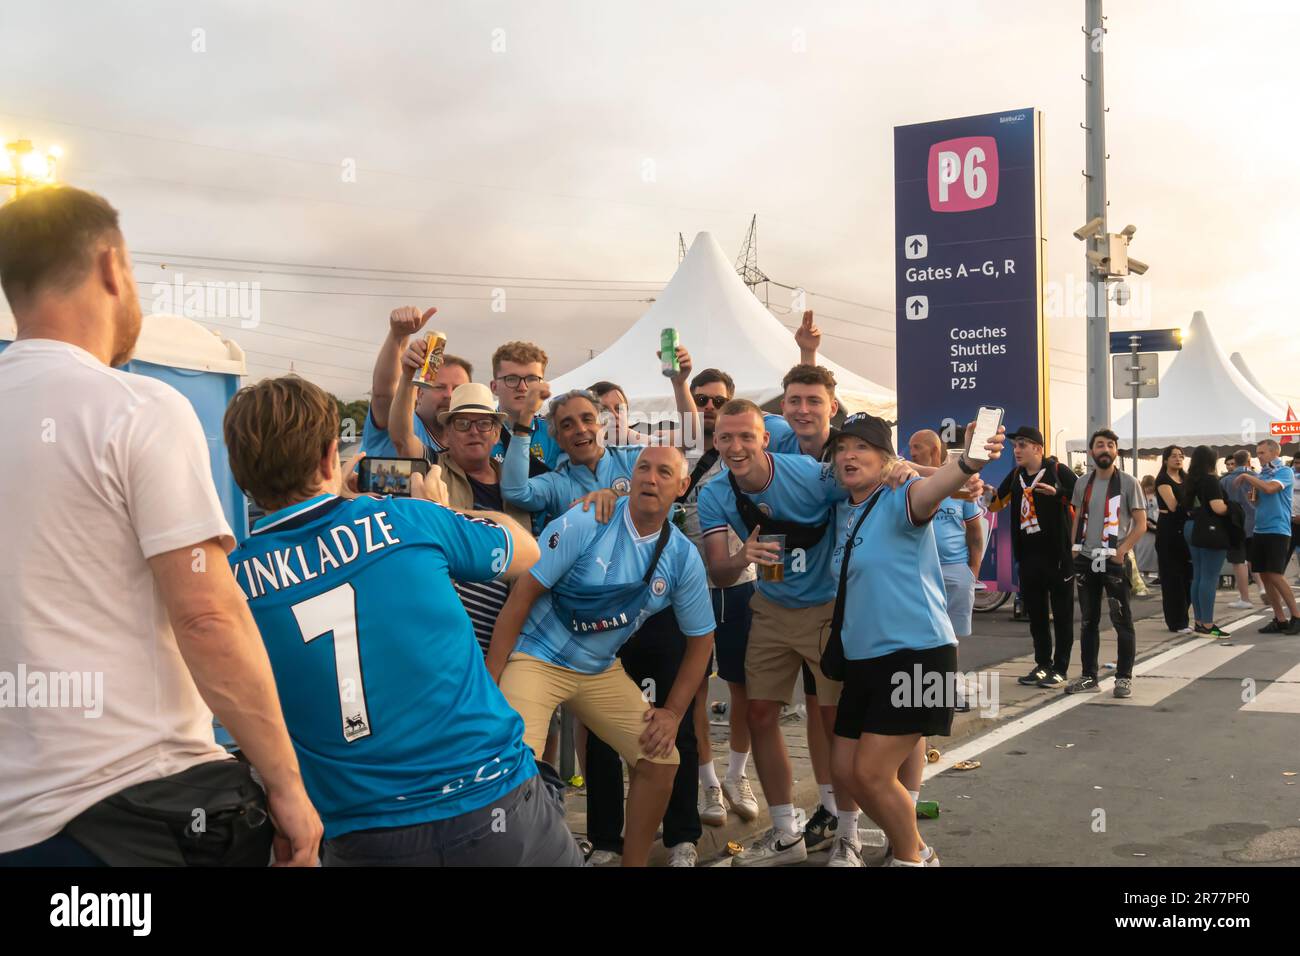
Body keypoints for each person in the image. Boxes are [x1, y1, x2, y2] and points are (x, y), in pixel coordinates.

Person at [0, 186, 321, 866]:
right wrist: (287, 786)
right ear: (113, 268)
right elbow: (206, 615)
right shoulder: (137, 407)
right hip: (128, 818)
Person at [221, 375, 581, 866]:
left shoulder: (230, 583)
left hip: (365, 829)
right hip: (493, 799)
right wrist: (443, 509)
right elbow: (525, 548)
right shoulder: (407, 518)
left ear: (240, 474)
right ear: (331, 456)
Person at [485, 445, 716, 867]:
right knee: (516, 772)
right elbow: (523, 595)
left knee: (662, 759)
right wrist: (490, 680)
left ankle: (634, 862)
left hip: (598, 670)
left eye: (664, 472)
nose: (651, 478)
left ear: (682, 487)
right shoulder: (588, 518)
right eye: (643, 468)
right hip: (537, 656)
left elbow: (702, 640)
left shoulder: (682, 556)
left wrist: (672, 713)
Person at [696, 400, 883, 866]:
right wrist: (742, 559)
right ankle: (786, 833)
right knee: (759, 714)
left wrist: (940, 474)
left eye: (745, 436)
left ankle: (848, 832)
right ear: (715, 442)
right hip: (772, 606)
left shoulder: (806, 472)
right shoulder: (715, 492)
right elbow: (718, 572)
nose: (736, 447)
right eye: (725, 438)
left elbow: (868, 480)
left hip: (825, 608)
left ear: (765, 438)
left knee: (832, 719)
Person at [827, 412, 1006, 867]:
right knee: (847, 771)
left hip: (919, 656)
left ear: (886, 458)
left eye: (861, 447)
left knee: (870, 773)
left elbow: (944, 485)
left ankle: (912, 858)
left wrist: (968, 461)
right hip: (863, 661)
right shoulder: (845, 509)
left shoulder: (903, 495)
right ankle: (916, 850)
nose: (849, 455)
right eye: (842, 447)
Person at [390, 379, 535, 653]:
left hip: (506, 639)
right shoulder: (431, 466)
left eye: (484, 424)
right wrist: (409, 374)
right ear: (447, 432)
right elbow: (400, 435)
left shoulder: (517, 486)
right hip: (441, 632)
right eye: (462, 423)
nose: (474, 432)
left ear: (495, 433)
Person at [677, 368, 761, 830]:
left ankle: (736, 775)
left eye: (717, 401)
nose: (708, 409)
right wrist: (678, 379)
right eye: (700, 400)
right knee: (692, 690)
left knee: (742, 687)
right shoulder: (681, 445)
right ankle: (708, 781)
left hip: (739, 584)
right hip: (687, 589)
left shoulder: (747, 453)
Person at [989, 425, 1078, 688]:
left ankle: (1061, 667)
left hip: (1058, 556)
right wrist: (984, 493)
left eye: (1023, 445)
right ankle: (1042, 664)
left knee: (1062, 614)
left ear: (1038, 449)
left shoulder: (1057, 471)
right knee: (1037, 615)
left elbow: (1084, 497)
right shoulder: (1016, 475)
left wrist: (1059, 494)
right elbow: (996, 503)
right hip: (1029, 556)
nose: (1017, 450)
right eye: (1015, 446)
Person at [1067, 430, 1147, 696]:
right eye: (1099, 445)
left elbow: (1141, 523)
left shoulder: (1128, 482)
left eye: (1110, 445)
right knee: (1088, 620)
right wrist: (1074, 549)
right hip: (1087, 559)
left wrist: (1122, 549)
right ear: (1091, 452)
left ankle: (1123, 677)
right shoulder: (1082, 482)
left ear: (1116, 451)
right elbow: (1077, 517)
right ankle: (1089, 676)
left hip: (1112, 559)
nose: (1105, 449)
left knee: (1121, 619)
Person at [361, 305, 472, 458]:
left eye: (458, 388)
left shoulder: (472, 444)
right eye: (439, 387)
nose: (449, 394)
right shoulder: (401, 421)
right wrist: (398, 337)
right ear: (419, 394)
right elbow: (384, 393)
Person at [909, 429, 985, 639]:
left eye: (917, 446)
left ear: (934, 449)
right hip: (920, 570)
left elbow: (975, 532)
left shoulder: (961, 485)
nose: (911, 452)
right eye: (910, 447)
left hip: (955, 570)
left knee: (953, 639)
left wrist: (972, 572)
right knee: (920, 636)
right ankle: (922, 674)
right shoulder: (910, 482)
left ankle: (950, 673)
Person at [1234, 439, 1300, 633]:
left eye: (1262, 453)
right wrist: (1252, 497)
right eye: (1257, 453)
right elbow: (1258, 502)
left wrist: (1247, 477)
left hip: (1278, 529)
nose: (1258, 457)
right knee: (1263, 574)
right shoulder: (1262, 474)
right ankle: (1279, 618)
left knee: (1275, 574)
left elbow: (1271, 488)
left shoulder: (1284, 472)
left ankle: (1296, 615)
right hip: (1260, 529)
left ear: (1274, 453)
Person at [1179, 444, 1232, 636]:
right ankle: (1208, 624)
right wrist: (1232, 508)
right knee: (1210, 577)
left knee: (1199, 575)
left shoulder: (1190, 480)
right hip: (1209, 530)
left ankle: (1200, 621)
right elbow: (1218, 507)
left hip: (1191, 527)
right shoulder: (1210, 480)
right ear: (1211, 461)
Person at [488, 340, 564, 473]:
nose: (522, 387)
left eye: (532, 379)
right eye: (511, 379)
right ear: (494, 387)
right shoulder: (478, 434)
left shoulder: (556, 434)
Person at [1154, 445, 1194, 633]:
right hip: (1169, 530)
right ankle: (1176, 621)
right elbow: (1173, 506)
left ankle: (1183, 617)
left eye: (1181, 456)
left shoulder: (1186, 479)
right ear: (1165, 460)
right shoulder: (1162, 479)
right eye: (1174, 456)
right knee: (1172, 577)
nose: (1178, 459)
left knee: (1188, 575)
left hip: (1185, 531)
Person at [1221, 449, 1259, 610]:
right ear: (1249, 461)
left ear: (1234, 462)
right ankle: (1263, 587)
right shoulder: (1257, 478)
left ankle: (1245, 598)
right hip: (1255, 523)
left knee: (1239, 562)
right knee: (1254, 560)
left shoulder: (1224, 481)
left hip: (1234, 524)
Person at [1135, 475, 1160, 577]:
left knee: (1154, 551)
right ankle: (1144, 573)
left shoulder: (1157, 497)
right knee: (1143, 551)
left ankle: (1157, 573)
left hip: (1155, 526)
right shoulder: (1139, 497)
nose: (1148, 488)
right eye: (1146, 486)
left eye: (1150, 486)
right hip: (1144, 527)